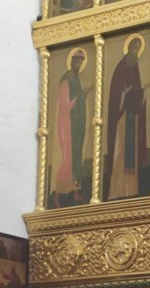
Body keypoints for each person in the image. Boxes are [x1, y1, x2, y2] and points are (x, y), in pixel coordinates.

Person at [105, 35, 148, 200]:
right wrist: (126, 91)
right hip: (122, 117)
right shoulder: (120, 68)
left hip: (132, 115)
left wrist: (142, 91)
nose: (135, 52)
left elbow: (136, 89)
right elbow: (117, 93)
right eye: (134, 48)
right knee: (120, 153)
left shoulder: (134, 67)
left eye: (138, 49)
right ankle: (117, 190)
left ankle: (130, 189)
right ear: (129, 49)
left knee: (131, 154)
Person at [53, 48, 91, 205]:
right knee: (67, 160)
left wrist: (83, 95)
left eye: (81, 62)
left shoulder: (76, 78)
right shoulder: (66, 80)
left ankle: (75, 191)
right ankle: (56, 194)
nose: (79, 65)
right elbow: (64, 107)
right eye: (77, 62)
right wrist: (78, 97)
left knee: (76, 158)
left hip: (76, 124)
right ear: (72, 62)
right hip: (67, 126)